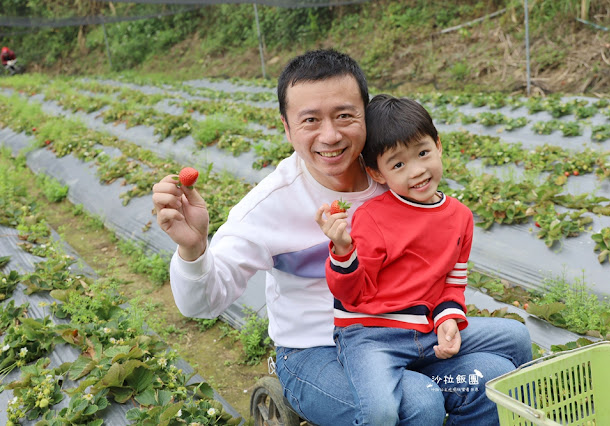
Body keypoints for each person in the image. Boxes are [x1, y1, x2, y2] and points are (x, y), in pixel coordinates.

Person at [152, 49, 532, 425]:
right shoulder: (267, 207)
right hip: (313, 351)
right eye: (310, 120)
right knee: (417, 402)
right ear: (286, 127)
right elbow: (202, 304)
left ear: (365, 116)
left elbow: (443, 256)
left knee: (494, 370)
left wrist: (445, 315)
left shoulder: (396, 177)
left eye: (344, 115)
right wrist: (193, 248)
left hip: (409, 329)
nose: (330, 135)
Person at [317, 94, 478, 424]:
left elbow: (453, 282)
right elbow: (350, 294)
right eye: (398, 164)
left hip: (424, 329)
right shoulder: (373, 218)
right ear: (377, 173)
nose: (417, 171)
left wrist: (448, 317)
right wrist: (344, 250)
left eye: (422, 153)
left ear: (438, 145)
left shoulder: (461, 217)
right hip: (370, 334)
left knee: (514, 339)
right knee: (381, 411)